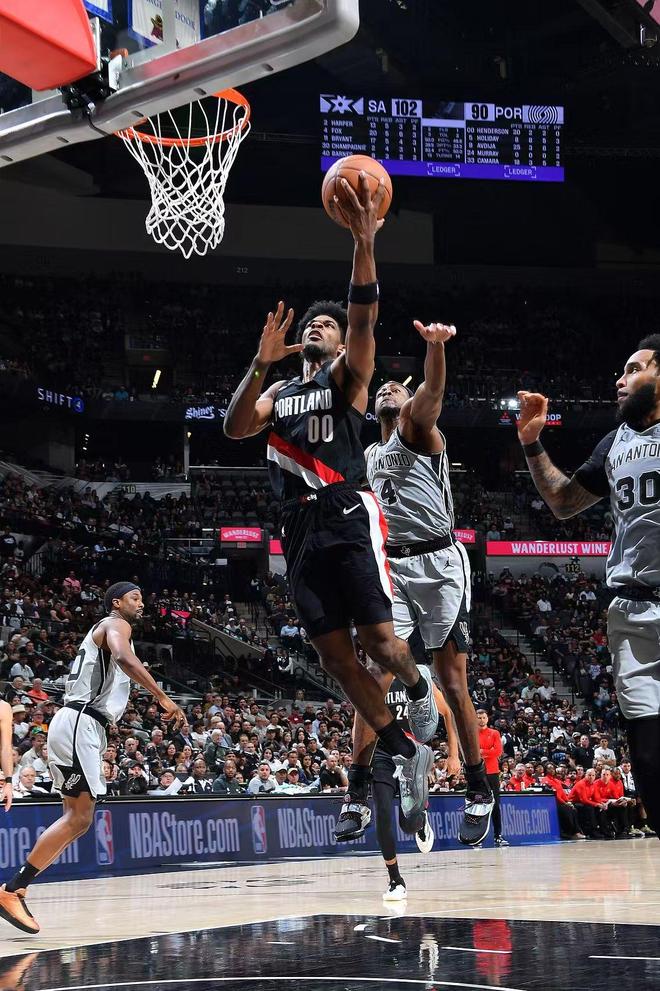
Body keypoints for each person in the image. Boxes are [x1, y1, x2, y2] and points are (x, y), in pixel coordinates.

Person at [224, 172, 436, 840]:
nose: (317, 326)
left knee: (380, 643)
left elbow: (364, 314)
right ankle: (405, 749)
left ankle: (419, 688)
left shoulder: (348, 378)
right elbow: (234, 426)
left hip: (346, 508)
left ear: (341, 345)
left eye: (327, 324)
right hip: (297, 527)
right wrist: (259, 363)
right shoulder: (279, 393)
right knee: (334, 658)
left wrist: (364, 242)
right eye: (311, 323)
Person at [518, 335, 660, 838]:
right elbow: (562, 502)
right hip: (633, 614)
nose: (620, 381)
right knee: (648, 761)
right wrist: (531, 442)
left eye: (634, 369)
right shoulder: (615, 443)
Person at [358, 321, 494, 846]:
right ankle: (357, 786)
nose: (387, 389)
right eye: (381, 388)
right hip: (393, 566)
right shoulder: (368, 456)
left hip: (439, 564)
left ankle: (478, 787)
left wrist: (434, 349)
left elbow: (432, 393)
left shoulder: (416, 429)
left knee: (454, 683)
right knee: (375, 669)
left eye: (396, 385)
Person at [0, 582, 185, 934]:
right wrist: (162, 696)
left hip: (81, 724)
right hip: (79, 722)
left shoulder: (109, 629)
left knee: (79, 818)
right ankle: (12, 889)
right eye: (135, 598)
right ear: (117, 602)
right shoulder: (116, 623)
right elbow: (124, 658)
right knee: (79, 817)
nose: (141, 604)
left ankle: (15, 889)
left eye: (142, 598)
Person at [375, 666, 460, 902]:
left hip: (411, 753)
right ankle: (395, 880)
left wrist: (453, 754)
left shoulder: (417, 677)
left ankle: (421, 819)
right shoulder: (374, 678)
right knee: (382, 813)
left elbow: (448, 712)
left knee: (408, 825)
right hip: (381, 753)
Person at [476, 710, 507, 846]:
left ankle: (498, 835)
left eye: (483, 717)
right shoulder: (472, 733)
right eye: (479, 718)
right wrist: (489, 752)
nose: (481, 720)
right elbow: (473, 752)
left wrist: (482, 752)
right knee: (478, 805)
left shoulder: (494, 733)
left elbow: (498, 751)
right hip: (478, 773)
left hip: (493, 773)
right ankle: (477, 837)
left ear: (487, 719)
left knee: (495, 805)